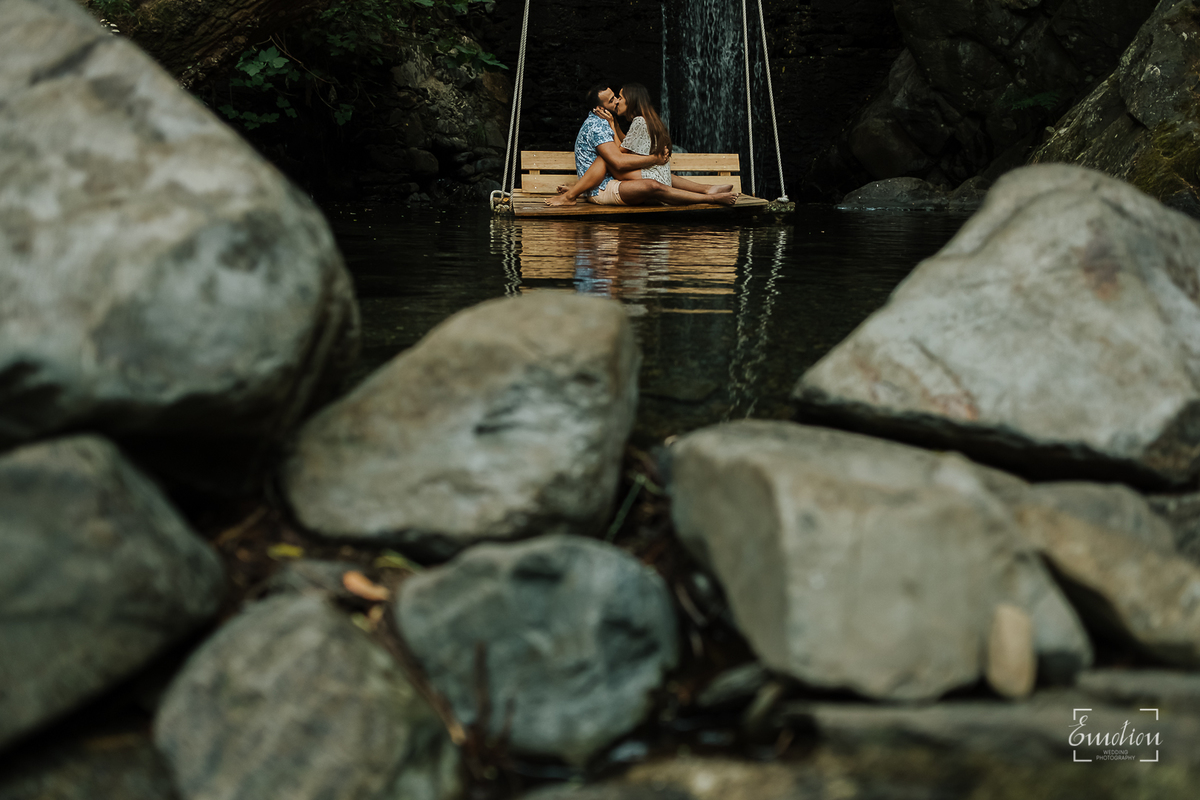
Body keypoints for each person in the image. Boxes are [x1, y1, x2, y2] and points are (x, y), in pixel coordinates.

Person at [546, 83, 738, 208]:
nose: (617, 101)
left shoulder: (608, 124)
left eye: (617, 96)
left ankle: (707, 189)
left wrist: (615, 126)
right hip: (603, 188)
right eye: (612, 100)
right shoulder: (598, 126)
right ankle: (710, 197)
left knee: (655, 177)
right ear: (601, 108)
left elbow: (621, 152)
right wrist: (654, 159)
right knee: (651, 182)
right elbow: (619, 160)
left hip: (609, 183)